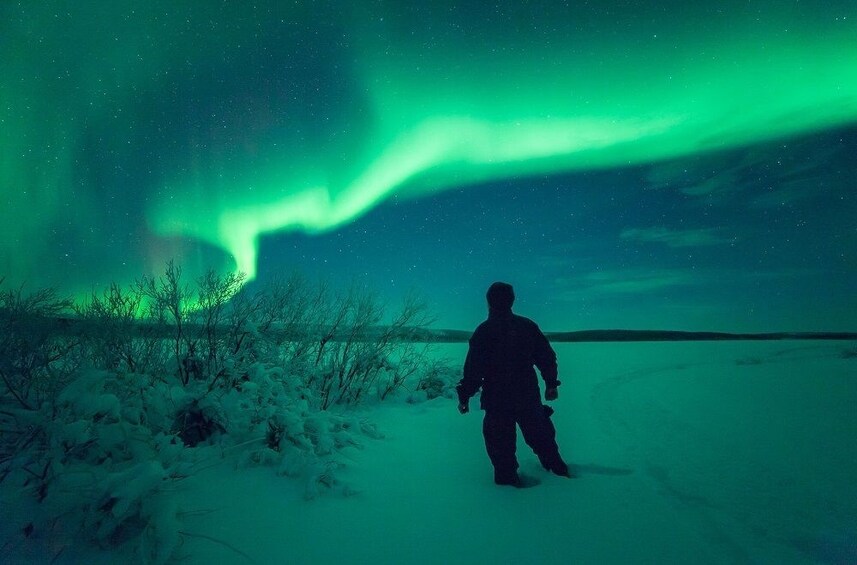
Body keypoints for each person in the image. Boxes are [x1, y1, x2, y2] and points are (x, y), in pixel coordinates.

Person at [456, 282, 571, 486]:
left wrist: (465, 396)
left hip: (497, 399)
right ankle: (557, 470)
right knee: (541, 436)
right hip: (526, 394)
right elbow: (546, 356)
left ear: (489, 302)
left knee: (501, 445)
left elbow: (474, 370)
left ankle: (510, 482)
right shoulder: (526, 326)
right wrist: (551, 383)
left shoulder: (484, 331)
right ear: (512, 300)